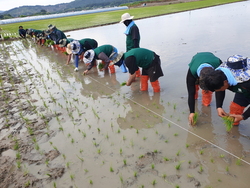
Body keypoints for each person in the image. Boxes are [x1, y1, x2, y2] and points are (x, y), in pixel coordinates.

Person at [201, 55, 250, 125]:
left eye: (220, 89)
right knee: (235, 109)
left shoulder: (246, 82)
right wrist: (219, 107)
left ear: (225, 82)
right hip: (243, 90)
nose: (219, 90)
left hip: (246, 86)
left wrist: (243, 116)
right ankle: (233, 130)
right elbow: (219, 88)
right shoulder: (219, 75)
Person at [186, 52, 222, 125]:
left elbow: (220, 88)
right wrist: (192, 112)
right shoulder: (191, 72)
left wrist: (219, 106)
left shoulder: (219, 68)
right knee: (194, 89)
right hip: (196, 61)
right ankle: (196, 98)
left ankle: (206, 105)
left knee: (208, 91)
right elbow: (190, 93)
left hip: (212, 62)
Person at [120, 12, 141, 77]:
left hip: (133, 49)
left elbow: (135, 39)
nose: (124, 24)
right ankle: (136, 76)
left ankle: (136, 76)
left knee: (133, 63)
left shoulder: (134, 27)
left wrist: (134, 51)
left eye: (124, 22)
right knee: (133, 63)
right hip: (129, 49)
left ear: (127, 21)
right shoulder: (130, 27)